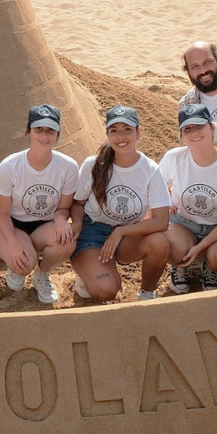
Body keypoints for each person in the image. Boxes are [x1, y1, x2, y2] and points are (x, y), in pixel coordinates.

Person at [70, 106, 170, 302]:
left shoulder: (150, 169)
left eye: (127, 129)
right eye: (114, 130)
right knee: (106, 290)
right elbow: (77, 204)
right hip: (93, 232)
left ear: (138, 132)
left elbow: (162, 221)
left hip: (127, 234)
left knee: (159, 243)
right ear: (107, 134)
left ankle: (147, 292)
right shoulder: (93, 165)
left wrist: (121, 231)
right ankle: (88, 272)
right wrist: (77, 225)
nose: (121, 136)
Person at [155, 105, 217, 297]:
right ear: (181, 135)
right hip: (183, 224)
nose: (195, 133)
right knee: (166, 243)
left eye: (200, 126)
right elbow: (155, 190)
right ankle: (179, 267)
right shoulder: (173, 158)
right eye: (187, 129)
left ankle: (209, 266)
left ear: (212, 128)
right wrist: (167, 197)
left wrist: (201, 246)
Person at [0, 104, 80, 304]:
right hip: (11, 224)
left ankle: (42, 274)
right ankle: (18, 268)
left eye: (50, 130)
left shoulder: (68, 167)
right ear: (28, 132)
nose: (44, 136)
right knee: (23, 263)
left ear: (57, 134)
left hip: (43, 225)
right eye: (39, 129)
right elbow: (2, 214)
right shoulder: (9, 167)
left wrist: (61, 220)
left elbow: (63, 208)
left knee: (67, 240)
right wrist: (13, 245)